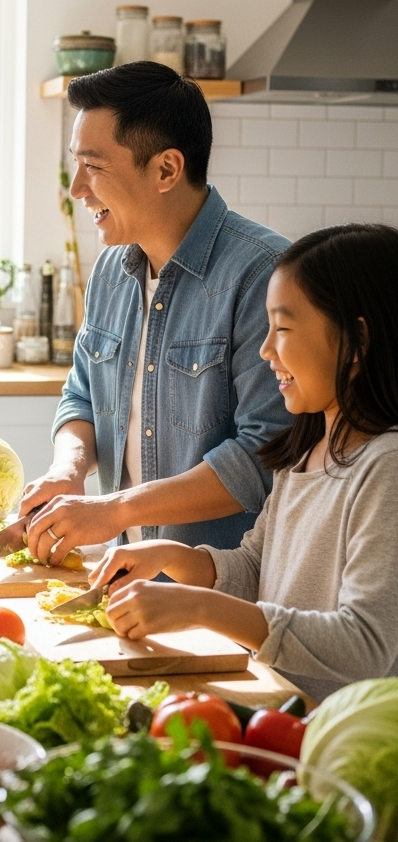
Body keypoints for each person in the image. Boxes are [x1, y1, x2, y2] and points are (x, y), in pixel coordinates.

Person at [89, 224, 398, 702]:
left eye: (284, 328)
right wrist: (174, 557)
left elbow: (365, 645)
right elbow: (256, 568)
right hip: (281, 707)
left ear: (355, 342)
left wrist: (200, 608)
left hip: (341, 737)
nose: (265, 350)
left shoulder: (386, 468)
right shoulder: (305, 451)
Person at [21, 61, 292, 565]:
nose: (77, 188)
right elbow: (81, 393)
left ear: (167, 169)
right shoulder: (110, 269)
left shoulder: (267, 276)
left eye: (94, 167)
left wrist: (114, 509)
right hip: (128, 578)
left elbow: (264, 458)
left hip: (222, 596)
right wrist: (70, 468)